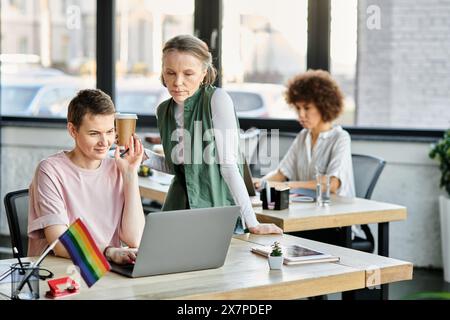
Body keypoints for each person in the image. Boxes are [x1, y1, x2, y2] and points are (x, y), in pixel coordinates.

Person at [143, 34, 281, 235]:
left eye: (188, 73)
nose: (177, 82)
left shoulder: (216, 100)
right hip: (177, 210)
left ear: (203, 73)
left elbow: (229, 166)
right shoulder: (163, 110)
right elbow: (177, 168)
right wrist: (141, 156)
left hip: (215, 208)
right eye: (170, 72)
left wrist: (252, 223)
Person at [28, 89, 145, 264]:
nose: (104, 142)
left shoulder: (117, 167)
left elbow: (134, 239)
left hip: (106, 269)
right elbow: (59, 243)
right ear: (73, 130)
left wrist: (130, 174)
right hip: (63, 271)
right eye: (94, 133)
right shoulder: (50, 170)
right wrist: (108, 251)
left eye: (109, 132)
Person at [256, 70, 364, 240]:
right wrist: (260, 182)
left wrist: (290, 185)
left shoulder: (340, 137)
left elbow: (332, 183)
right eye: (298, 108)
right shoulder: (303, 136)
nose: (301, 115)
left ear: (324, 106)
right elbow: (281, 173)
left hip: (336, 225)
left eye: (307, 108)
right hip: (307, 219)